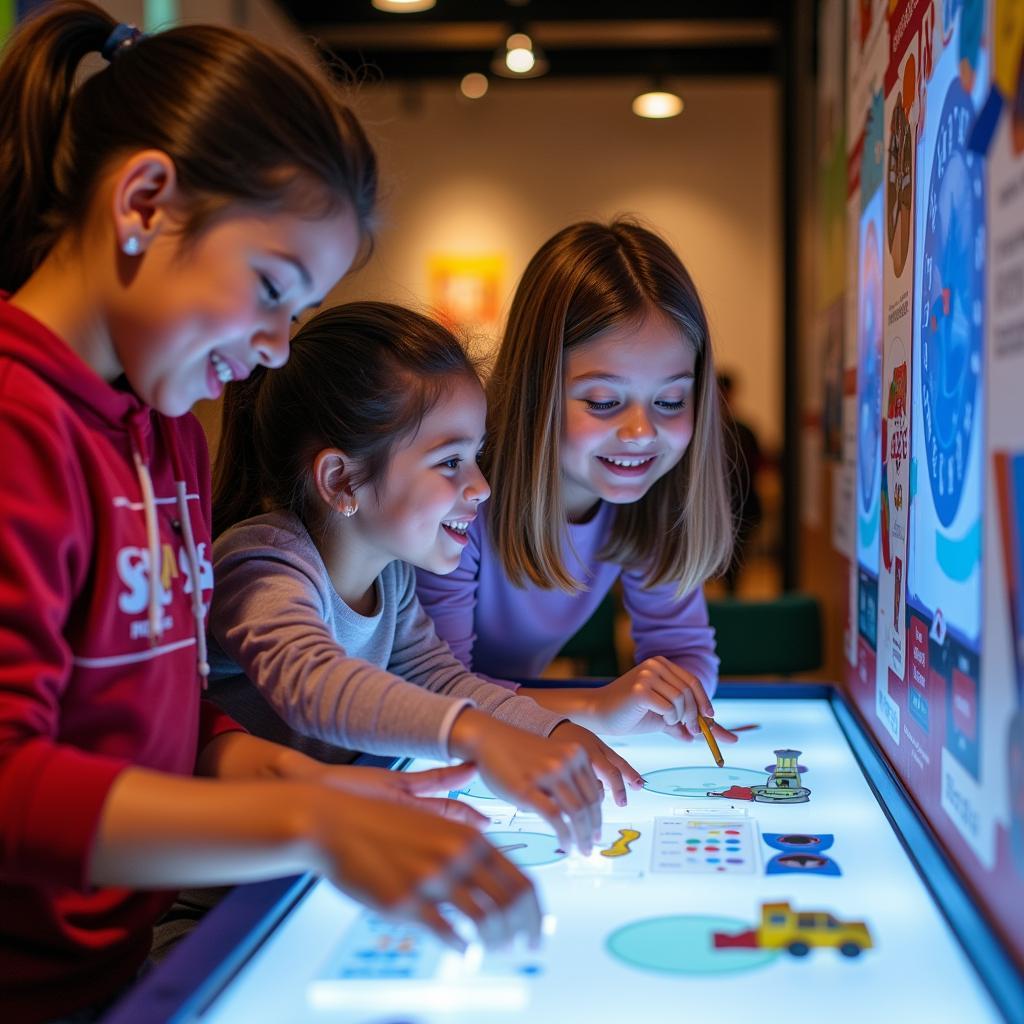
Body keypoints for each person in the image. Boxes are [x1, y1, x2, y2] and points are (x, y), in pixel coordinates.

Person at [0, 6, 537, 1021]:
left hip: (120, 974)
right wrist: (302, 819)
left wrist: (312, 787)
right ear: (145, 201)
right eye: (270, 288)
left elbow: (158, 719)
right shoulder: (22, 425)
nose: (282, 345)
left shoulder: (165, 434)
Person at [208, 302, 644, 856]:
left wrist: (549, 731)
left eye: (477, 456)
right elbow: (314, 684)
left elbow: (438, 678)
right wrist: (479, 738)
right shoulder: (260, 562)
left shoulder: (393, 581)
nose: (481, 486)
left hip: (317, 858)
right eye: (449, 462)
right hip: (220, 901)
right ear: (341, 479)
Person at [417, 220, 738, 746]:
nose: (640, 433)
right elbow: (433, 692)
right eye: (604, 402)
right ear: (535, 387)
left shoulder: (650, 504)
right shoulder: (462, 497)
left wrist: (673, 699)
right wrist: (594, 707)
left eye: (671, 401)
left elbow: (684, 649)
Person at [718, 372, 764, 594]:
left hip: (740, 508)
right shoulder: (742, 431)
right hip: (735, 507)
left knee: (732, 569)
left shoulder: (742, 431)